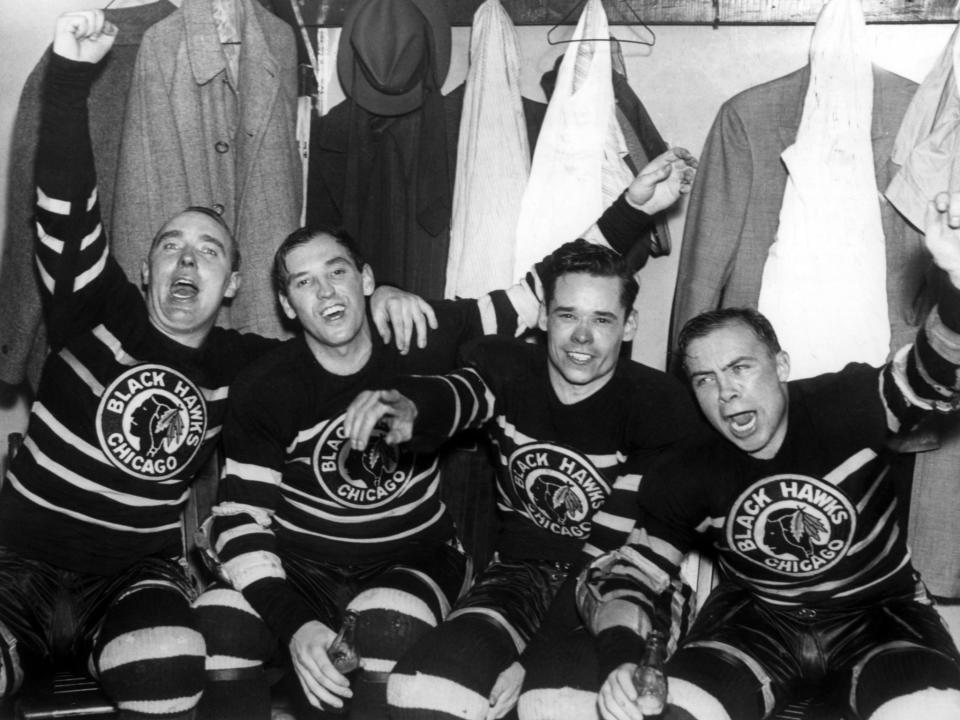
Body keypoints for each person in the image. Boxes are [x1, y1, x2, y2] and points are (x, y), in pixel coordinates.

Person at [0, 11, 435, 719]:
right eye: (171, 246)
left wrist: (371, 291)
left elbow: (339, 350)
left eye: (208, 251)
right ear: (144, 267)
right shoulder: (97, 308)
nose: (186, 258)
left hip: (129, 580)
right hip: (17, 561)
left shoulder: (249, 365)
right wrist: (69, 76)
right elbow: (64, 203)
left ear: (233, 284)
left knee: (171, 673)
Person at [191, 146, 698, 720]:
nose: (327, 292)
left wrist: (630, 210)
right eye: (305, 283)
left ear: (366, 278)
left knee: (388, 629)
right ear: (286, 304)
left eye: (338, 273)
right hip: (299, 561)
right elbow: (238, 521)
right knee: (215, 626)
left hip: (414, 555)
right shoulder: (268, 384)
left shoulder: (416, 332)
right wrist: (296, 623)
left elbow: (545, 295)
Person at [558, 192, 960, 720]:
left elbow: (928, 377)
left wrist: (955, 288)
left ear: (782, 365)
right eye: (705, 379)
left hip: (880, 614)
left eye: (741, 368)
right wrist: (618, 663)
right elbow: (633, 577)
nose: (726, 392)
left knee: (932, 712)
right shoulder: (685, 469)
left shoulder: (844, 404)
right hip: (760, 619)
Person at [341, 239, 706, 720]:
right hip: (520, 572)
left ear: (629, 325)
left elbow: (605, 556)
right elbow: (459, 395)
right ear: (543, 317)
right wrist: (411, 405)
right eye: (567, 316)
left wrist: (523, 660)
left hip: (625, 583)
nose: (581, 337)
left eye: (601, 320)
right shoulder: (508, 367)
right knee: (424, 689)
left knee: (558, 702)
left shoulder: (658, 405)